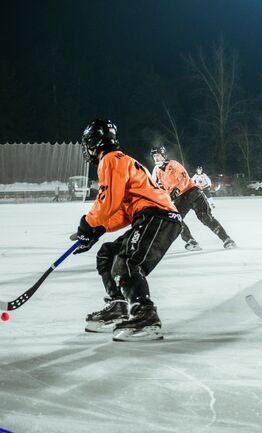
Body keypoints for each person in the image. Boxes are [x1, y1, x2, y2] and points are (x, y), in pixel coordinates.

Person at [75, 119, 182, 342]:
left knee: (129, 262)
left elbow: (107, 201)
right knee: (108, 253)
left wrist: (88, 224)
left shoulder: (111, 160)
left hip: (158, 216)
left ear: (95, 142)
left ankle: (146, 315)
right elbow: (123, 210)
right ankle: (118, 306)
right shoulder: (119, 161)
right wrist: (98, 228)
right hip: (151, 216)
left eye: (88, 143)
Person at [151, 146, 236, 249]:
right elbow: (154, 187)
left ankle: (227, 239)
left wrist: (177, 189)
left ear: (164, 155)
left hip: (192, 193)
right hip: (179, 199)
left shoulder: (173, 164)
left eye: (158, 155)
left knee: (205, 218)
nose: (156, 158)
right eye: (154, 156)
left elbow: (184, 177)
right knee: (174, 220)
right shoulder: (156, 171)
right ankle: (191, 241)